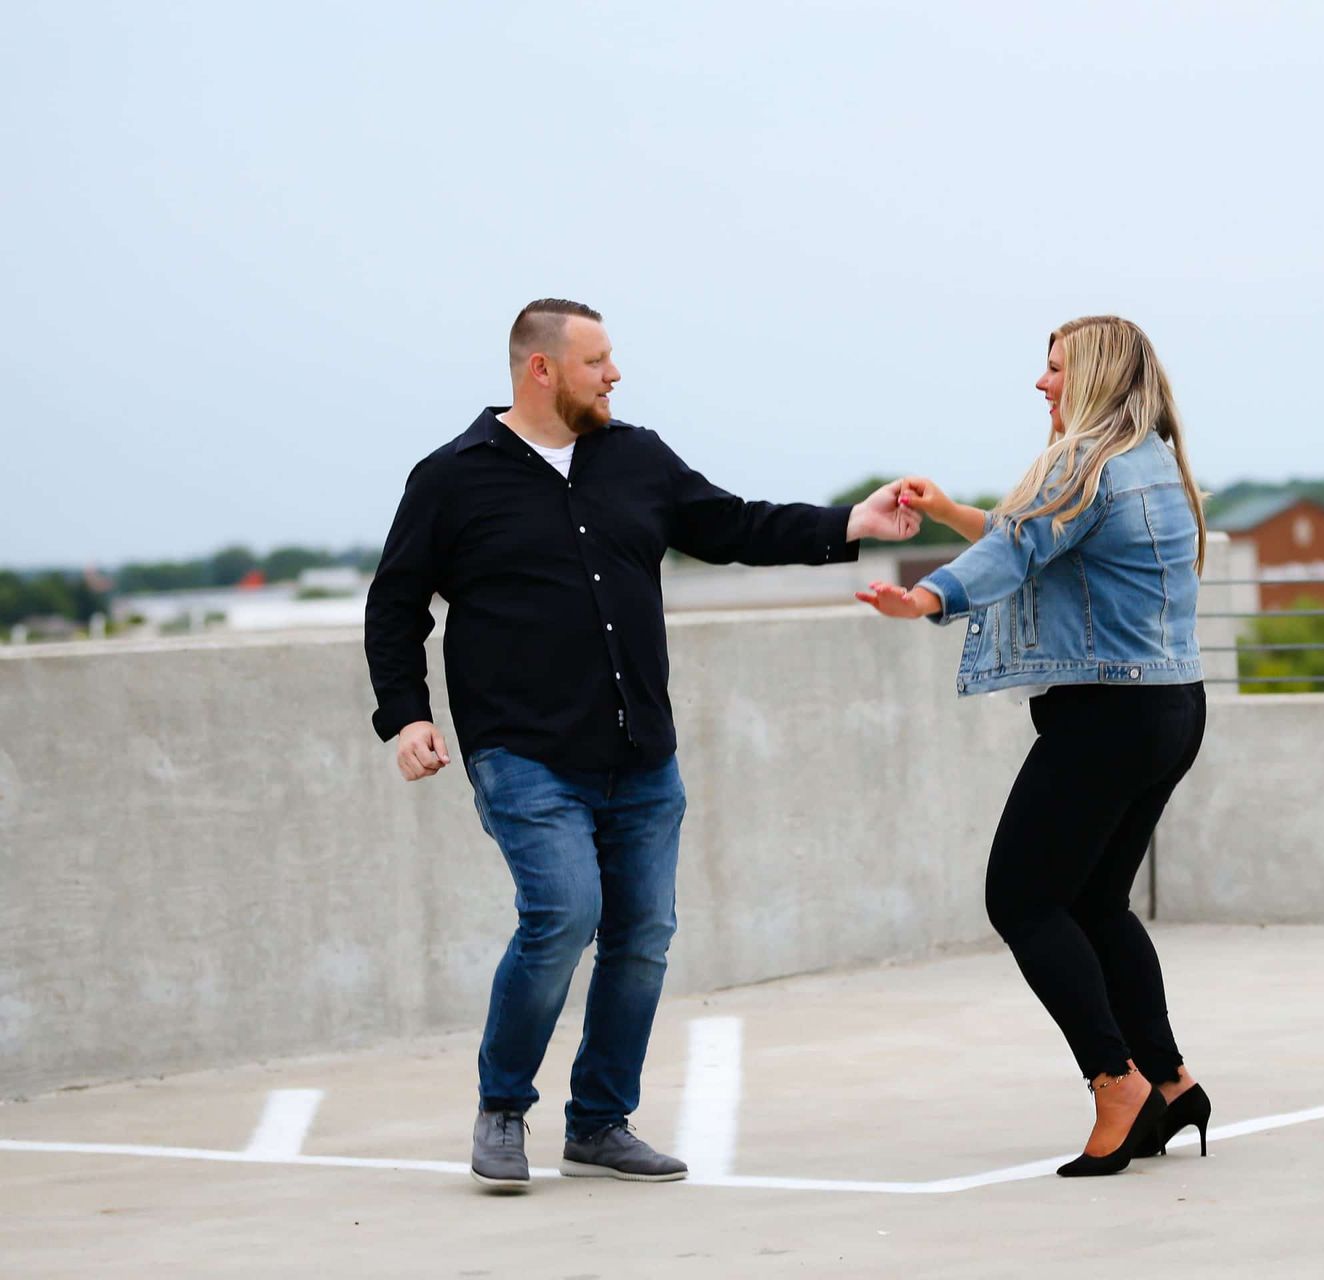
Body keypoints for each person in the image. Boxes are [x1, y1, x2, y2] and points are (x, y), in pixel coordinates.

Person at [365, 298, 921, 1191]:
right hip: (523, 751)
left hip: (639, 750)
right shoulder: (452, 478)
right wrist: (407, 715)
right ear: (540, 369)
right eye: (597, 362)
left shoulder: (636, 458)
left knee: (643, 934)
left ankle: (598, 1123)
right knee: (562, 915)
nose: (614, 375)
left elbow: (731, 525)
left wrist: (849, 523)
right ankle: (503, 1108)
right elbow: (395, 605)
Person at [856, 314, 1212, 1177]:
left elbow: (1022, 546)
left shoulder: (1081, 464)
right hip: (1174, 708)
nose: (1042, 384)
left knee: (1020, 900)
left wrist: (930, 598)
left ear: (1091, 377)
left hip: (1106, 717)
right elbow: (1041, 539)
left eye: (1054, 369)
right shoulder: (1151, 462)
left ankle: (1113, 1081)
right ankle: (1169, 1083)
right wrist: (949, 514)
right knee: (1095, 905)